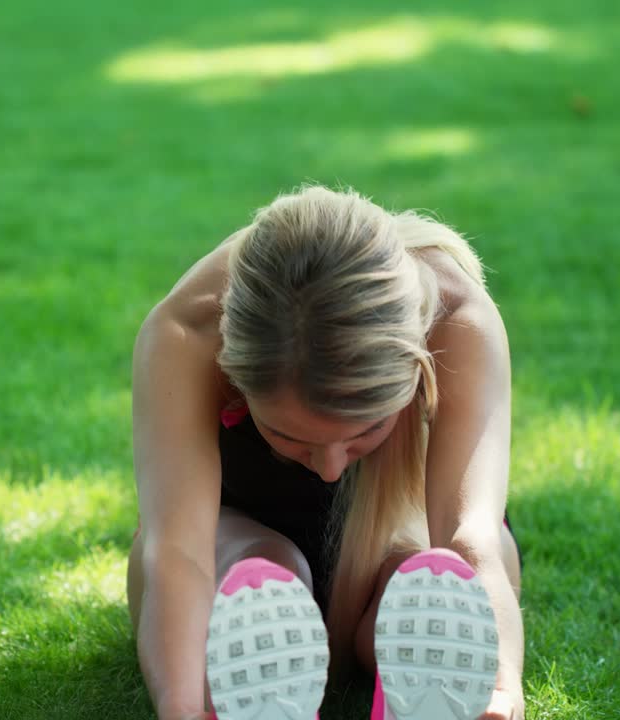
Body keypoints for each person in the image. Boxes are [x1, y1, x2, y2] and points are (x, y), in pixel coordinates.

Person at [127, 186, 524, 720]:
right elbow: (178, 550)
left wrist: (501, 686)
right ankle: (256, 623)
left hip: (399, 532)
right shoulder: (187, 332)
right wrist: (179, 708)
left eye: (366, 430)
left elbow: (469, 535)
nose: (332, 467)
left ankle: (412, 645)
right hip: (233, 528)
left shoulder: (460, 318)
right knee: (256, 567)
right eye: (290, 436)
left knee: (430, 575)